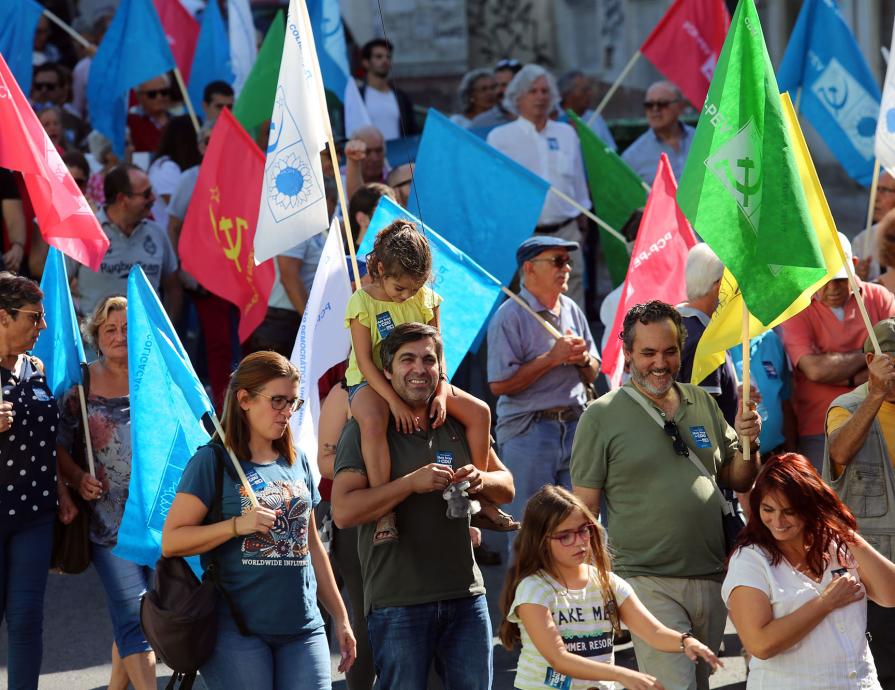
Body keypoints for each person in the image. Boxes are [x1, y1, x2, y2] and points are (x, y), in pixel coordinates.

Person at [571, 300, 761, 690]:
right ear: (627, 353)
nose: (660, 363)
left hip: (711, 575)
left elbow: (739, 479)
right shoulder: (600, 416)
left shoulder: (702, 401)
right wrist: (593, 588)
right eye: (648, 353)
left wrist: (749, 442)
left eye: (670, 351)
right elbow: (584, 511)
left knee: (697, 683)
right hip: (645, 581)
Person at [331, 323, 514, 689]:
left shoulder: (457, 423)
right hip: (398, 602)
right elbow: (344, 511)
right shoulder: (367, 429)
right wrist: (409, 484)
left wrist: (480, 479)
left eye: (429, 360)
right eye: (407, 359)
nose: (419, 369)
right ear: (387, 371)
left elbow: (507, 486)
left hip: (467, 596)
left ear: (441, 368)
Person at [162, 351, 356, 690]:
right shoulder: (212, 461)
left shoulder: (298, 461)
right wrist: (236, 525)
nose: (286, 412)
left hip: (304, 626)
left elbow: (312, 546)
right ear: (244, 400)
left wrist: (340, 618)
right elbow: (172, 540)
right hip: (236, 628)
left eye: (293, 403)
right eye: (277, 400)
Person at [344, 221, 495, 544]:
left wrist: (440, 391)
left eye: (413, 290)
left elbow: (439, 354)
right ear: (380, 269)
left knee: (480, 411)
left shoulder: (427, 299)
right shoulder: (361, 301)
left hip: (425, 382)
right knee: (372, 422)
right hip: (371, 383)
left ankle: (472, 496)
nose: (406, 297)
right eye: (399, 289)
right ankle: (385, 509)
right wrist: (394, 401)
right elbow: (365, 363)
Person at [500, 485, 722, 690]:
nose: (579, 541)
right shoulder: (534, 589)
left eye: (583, 530)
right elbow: (559, 659)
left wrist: (685, 641)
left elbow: (653, 632)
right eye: (565, 536)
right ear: (540, 541)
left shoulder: (607, 582)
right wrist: (621, 674)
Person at [724, 453, 895, 688]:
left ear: (811, 506)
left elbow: (891, 593)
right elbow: (760, 644)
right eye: (768, 509)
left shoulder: (837, 544)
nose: (778, 521)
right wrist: (825, 602)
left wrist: (844, 531)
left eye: (789, 511)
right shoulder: (750, 560)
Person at [55, 296, 156, 690]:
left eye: (127, 329)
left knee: (153, 612)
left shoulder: (153, 375)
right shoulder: (80, 384)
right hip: (107, 523)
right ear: (96, 335)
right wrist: (79, 477)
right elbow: (58, 444)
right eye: (110, 329)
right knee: (133, 615)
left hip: (158, 516)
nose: (119, 336)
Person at [487, 237, 599, 536]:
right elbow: (499, 384)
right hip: (530, 433)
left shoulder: (572, 308)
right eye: (557, 261)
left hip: (575, 427)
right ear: (529, 268)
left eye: (568, 261)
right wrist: (552, 359)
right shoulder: (508, 316)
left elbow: (594, 371)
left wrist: (583, 358)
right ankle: (524, 586)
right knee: (529, 534)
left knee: (580, 528)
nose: (567, 268)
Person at [0, 272, 78, 690]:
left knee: (28, 617)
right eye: (34, 317)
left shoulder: (36, 366)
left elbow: (44, 440)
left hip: (35, 512)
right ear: (2, 317)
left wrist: (62, 490)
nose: (42, 326)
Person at [781, 233, 895, 471]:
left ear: (853, 265)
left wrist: (842, 371)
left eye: (840, 280)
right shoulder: (797, 307)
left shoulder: (879, 297)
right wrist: (868, 361)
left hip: (882, 420)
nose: (832, 288)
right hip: (818, 426)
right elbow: (814, 370)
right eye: (824, 280)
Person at [824, 318, 895, 689]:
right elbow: (839, 451)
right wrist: (876, 395)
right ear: (871, 360)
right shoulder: (846, 407)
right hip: (873, 580)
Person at [487, 65, 592, 311]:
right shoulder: (500, 138)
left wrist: (581, 226)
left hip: (567, 233)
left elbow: (578, 185)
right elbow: (495, 196)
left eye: (545, 91)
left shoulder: (567, 134)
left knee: (573, 300)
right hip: (526, 236)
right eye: (532, 91)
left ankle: (578, 348)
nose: (540, 96)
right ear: (517, 98)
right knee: (531, 307)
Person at [69, 164, 181, 321]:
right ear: (122, 199)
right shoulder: (83, 233)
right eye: (146, 194)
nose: (153, 198)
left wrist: (166, 332)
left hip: (147, 344)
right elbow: (57, 289)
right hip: (96, 344)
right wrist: (79, 328)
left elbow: (174, 289)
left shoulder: (157, 234)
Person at [677, 243, 739, 424]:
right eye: (734, 283)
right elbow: (704, 420)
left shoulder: (675, 322)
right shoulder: (704, 340)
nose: (737, 291)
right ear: (721, 286)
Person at [621, 81, 695, 184]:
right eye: (649, 105)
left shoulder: (704, 140)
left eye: (662, 104)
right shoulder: (631, 157)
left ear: (680, 107)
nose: (655, 109)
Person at [147, 115, 201, 233]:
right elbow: (181, 212)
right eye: (203, 140)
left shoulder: (185, 166)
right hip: (169, 240)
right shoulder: (166, 168)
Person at [358, 39, 418, 139]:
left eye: (388, 57)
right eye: (379, 57)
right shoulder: (358, 97)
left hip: (399, 153)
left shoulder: (402, 98)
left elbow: (412, 133)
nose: (385, 60)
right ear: (366, 62)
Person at [557, 70, 617, 152]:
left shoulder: (596, 119)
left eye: (589, 89)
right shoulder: (553, 118)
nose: (589, 94)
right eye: (584, 90)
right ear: (568, 94)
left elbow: (611, 150)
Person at [854, 172, 895, 281]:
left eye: (885, 190)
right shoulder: (863, 240)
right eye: (875, 189)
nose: (875, 197)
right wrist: (856, 279)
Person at [127, 73, 173, 153]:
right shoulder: (129, 122)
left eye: (164, 92)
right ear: (139, 96)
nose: (159, 97)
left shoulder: (177, 122)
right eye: (152, 94)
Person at [470, 58, 522, 128]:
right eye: (495, 86)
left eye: (505, 85)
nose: (498, 91)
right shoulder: (481, 123)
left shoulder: (536, 118)